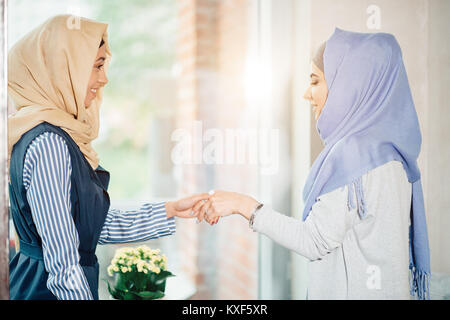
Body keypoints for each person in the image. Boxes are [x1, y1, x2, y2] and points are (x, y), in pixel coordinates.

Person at [196, 27, 431, 300]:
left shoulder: (353, 156)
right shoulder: (394, 155)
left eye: (316, 81)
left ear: (349, 83)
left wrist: (242, 205)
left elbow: (314, 240)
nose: (307, 94)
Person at [7, 15, 208, 300]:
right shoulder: (48, 143)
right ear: (67, 69)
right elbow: (64, 267)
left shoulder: (48, 134)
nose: (104, 78)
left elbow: (92, 228)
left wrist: (171, 209)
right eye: (97, 66)